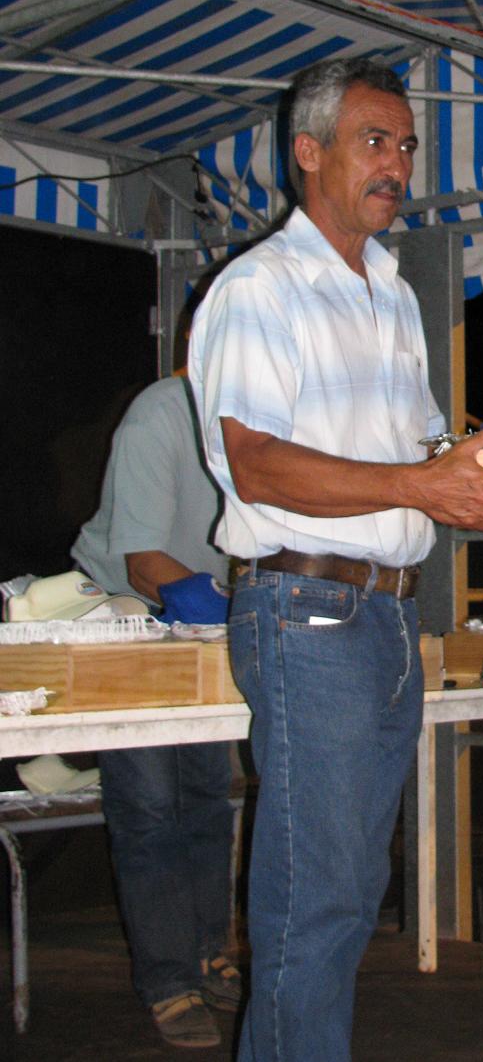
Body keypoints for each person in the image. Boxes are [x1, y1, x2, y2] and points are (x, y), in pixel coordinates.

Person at [188, 56, 483, 1062]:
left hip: (385, 618)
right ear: (307, 154)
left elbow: (425, 456)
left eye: (403, 145)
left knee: (347, 896)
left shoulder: (390, 292)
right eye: (371, 142)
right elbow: (256, 468)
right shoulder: (257, 289)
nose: (395, 164)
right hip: (307, 610)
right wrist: (415, 487)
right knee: (316, 903)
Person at [72, 305, 240, 1050]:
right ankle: (168, 980)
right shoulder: (159, 414)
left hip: (203, 622)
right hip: (131, 615)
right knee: (148, 806)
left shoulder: (250, 421)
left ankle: (210, 951)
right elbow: (148, 564)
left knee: (207, 794)